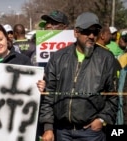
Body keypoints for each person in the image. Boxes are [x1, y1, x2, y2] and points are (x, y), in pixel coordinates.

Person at [39, 12, 118, 141]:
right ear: (76, 32)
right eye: (87, 31)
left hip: (92, 133)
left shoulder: (106, 58)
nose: (92, 36)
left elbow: (113, 96)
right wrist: (48, 128)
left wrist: (101, 119)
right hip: (62, 131)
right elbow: (49, 95)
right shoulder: (58, 57)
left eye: (95, 31)